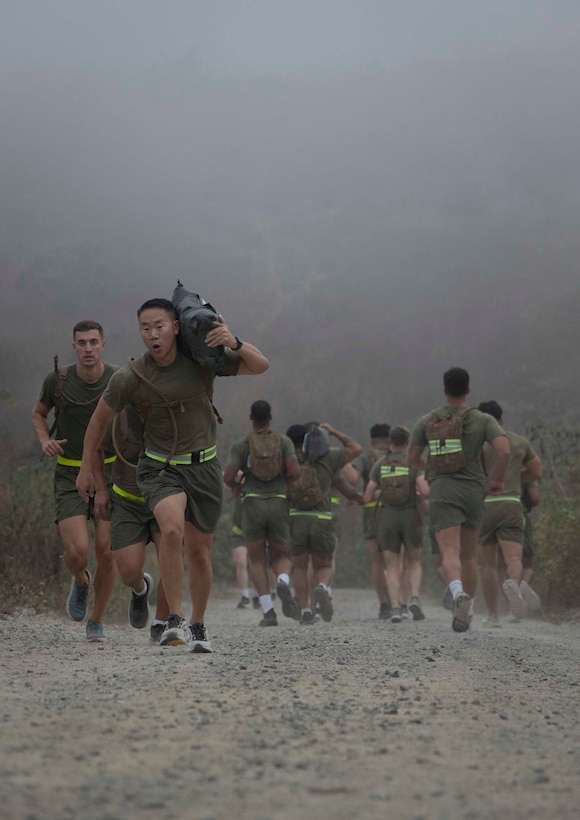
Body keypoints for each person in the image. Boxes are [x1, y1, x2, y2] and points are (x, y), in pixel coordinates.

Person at [76, 298, 269, 653]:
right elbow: (98, 421)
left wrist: (234, 341)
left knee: (199, 552)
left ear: (176, 327)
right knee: (172, 529)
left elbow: (260, 365)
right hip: (160, 467)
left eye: (159, 326)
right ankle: (175, 618)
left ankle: (198, 624)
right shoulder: (131, 378)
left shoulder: (201, 362)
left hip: (205, 467)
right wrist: (87, 469)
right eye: (145, 329)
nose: (153, 335)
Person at [31, 320, 118, 642]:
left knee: (106, 551)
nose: (88, 349)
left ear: (103, 345)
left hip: (110, 472)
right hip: (69, 471)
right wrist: (44, 440)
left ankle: (96, 619)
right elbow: (38, 413)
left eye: (94, 342)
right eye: (81, 343)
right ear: (74, 347)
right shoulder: (58, 380)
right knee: (78, 551)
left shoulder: (118, 379)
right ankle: (81, 582)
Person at [407, 367, 509, 632]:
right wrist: (496, 480)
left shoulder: (427, 420)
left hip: (442, 490)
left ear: (444, 390)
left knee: (448, 551)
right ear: (468, 390)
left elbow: (412, 459)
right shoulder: (483, 419)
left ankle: (457, 594)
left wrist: (431, 469)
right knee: (468, 555)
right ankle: (470, 609)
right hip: (475, 491)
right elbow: (504, 450)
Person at [96, 405, 171, 644]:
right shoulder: (117, 416)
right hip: (127, 501)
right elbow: (98, 449)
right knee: (128, 571)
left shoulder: (173, 413)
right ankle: (140, 588)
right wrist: (100, 490)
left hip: (165, 498)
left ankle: (160, 622)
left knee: (171, 562)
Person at [224, 400, 301, 626]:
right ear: (271, 416)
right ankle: (284, 582)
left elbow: (228, 478)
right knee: (281, 556)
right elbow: (295, 472)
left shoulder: (242, 444)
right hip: (278, 502)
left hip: (253, 505)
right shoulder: (284, 441)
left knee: (257, 560)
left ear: (251, 418)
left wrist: (242, 479)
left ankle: (268, 612)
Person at [286, 422, 362, 625]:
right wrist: (335, 430)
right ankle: (321, 586)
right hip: (322, 520)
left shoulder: (293, 460)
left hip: (297, 519)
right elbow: (356, 449)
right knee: (325, 566)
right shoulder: (332, 459)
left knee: (299, 568)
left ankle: (305, 613)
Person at [477, 401, 543, 626]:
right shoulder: (519, 441)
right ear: (501, 420)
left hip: (486, 504)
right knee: (514, 558)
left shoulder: (478, 445)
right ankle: (515, 588)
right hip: (512, 502)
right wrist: (514, 477)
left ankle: (493, 615)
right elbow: (537, 472)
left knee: (488, 564)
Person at [363, 425, 429, 623]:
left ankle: (394, 607)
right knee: (414, 561)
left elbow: (367, 497)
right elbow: (425, 492)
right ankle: (414, 598)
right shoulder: (413, 464)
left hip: (387, 518)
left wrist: (380, 492)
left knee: (391, 566)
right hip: (410, 516)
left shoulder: (380, 465)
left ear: (390, 442)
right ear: (408, 443)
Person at [342, 424, 392, 619]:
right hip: (396, 511)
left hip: (371, 512)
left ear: (372, 441)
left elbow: (352, 478)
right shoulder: (396, 457)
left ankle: (384, 605)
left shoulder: (366, 458)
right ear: (390, 440)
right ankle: (401, 600)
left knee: (378, 561)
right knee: (397, 560)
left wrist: (342, 459)